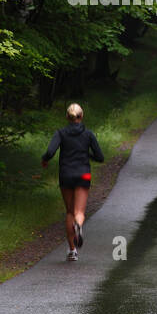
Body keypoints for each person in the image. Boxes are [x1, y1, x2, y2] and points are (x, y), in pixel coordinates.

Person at [41, 103, 104, 263]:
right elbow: (100, 157)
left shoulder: (60, 133)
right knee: (79, 212)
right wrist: (86, 155)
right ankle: (79, 225)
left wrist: (45, 160)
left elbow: (50, 152)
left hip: (66, 174)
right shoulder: (88, 134)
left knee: (69, 211)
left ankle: (72, 250)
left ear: (67, 117)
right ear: (81, 116)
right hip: (83, 174)